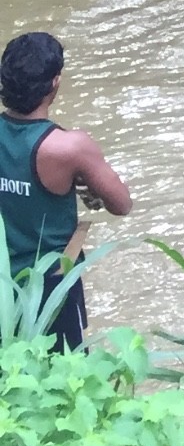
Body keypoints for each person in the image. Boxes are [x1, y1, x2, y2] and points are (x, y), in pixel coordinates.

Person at [0, 31, 132, 348]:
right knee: (64, 372)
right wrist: (82, 181)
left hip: (3, 282)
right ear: (55, 83)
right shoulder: (68, 148)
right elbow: (122, 204)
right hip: (49, 288)